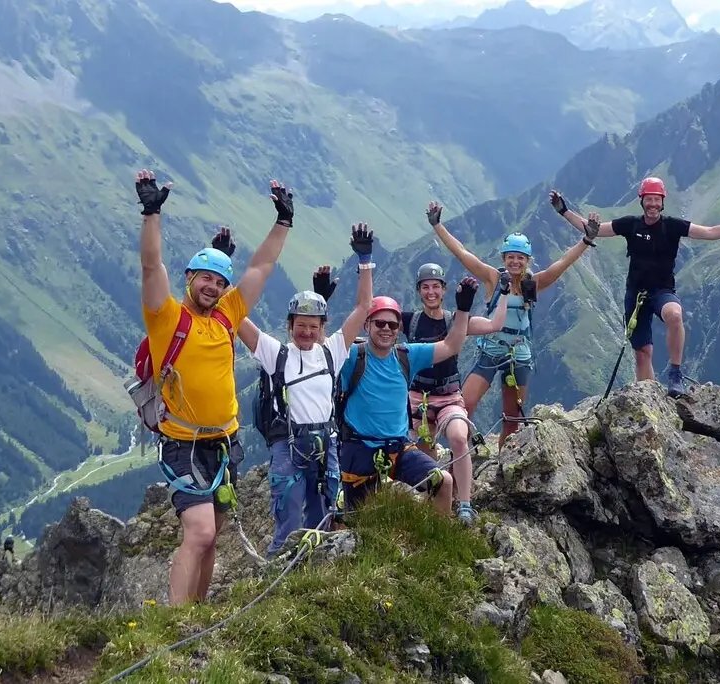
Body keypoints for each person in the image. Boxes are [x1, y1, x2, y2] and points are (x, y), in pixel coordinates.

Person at [135, 169, 294, 605]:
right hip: (183, 443)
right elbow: (151, 266)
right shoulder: (167, 318)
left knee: (215, 532)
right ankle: (174, 622)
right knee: (200, 531)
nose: (213, 287)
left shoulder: (227, 314)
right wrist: (151, 213)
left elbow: (261, 266)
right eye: (206, 278)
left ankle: (198, 614)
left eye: (220, 282)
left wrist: (283, 222)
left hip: (224, 443)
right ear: (189, 277)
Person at [548, 177, 720, 398]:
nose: (652, 205)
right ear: (642, 201)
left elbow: (710, 232)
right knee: (642, 352)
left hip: (662, 292)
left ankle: (675, 374)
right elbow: (595, 230)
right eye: (649, 199)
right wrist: (564, 210)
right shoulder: (631, 224)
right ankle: (648, 398)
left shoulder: (673, 226)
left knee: (674, 315)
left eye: (656, 200)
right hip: (636, 294)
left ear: (662, 202)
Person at [237, 223, 375, 557]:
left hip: (325, 442)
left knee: (323, 516)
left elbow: (362, 309)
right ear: (290, 326)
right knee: (287, 519)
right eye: (301, 326)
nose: (307, 332)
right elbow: (236, 316)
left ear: (322, 328)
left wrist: (365, 262)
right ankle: (277, 576)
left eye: (313, 327)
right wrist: (224, 272)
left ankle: (311, 580)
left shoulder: (332, 351)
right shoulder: (277, 353)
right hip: (289, 443)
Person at [426, 200, 597, 448]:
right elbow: (462, 253)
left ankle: (503, 465)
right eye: (511, 257)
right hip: (491, 350)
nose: (515, 262)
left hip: (520, 355)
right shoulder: (493, 278)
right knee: (465, 405)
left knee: (512, 419)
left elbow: (561, 265)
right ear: (504, 258)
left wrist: (585, 241)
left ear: (526, 260)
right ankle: (458, 458)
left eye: (519, 258)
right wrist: (438, 226)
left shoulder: (532, 284)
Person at [335, 278, 481, 517]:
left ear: (398, 330)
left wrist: (463, 310)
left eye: (392, 325)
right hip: (359, 448)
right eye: (379, 323)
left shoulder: (407, 355)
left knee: (443, 481)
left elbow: (452, 346)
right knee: (358, 519)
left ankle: (437, 541)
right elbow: (321, 352)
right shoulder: (352, 356)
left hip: (398, 447)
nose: (386, 329)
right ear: (367, 325)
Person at [400, 262, 508, 523]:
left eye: (435, 287)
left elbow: (495, 324)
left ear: (444, 290)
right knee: (426, 454)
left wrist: (504, 292)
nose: (430, 292)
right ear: (419, 291)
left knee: (459, 437)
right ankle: (436, 505)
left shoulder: (455, 319)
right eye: (425, 287)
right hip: (418, 398)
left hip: (448, 395)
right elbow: (374, 316)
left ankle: (465, 504)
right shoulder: (409, 321)